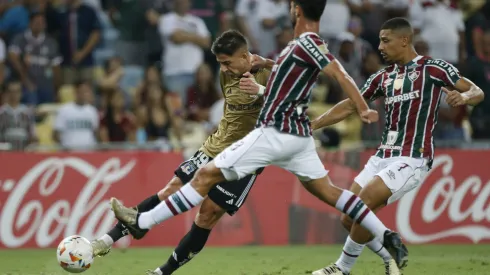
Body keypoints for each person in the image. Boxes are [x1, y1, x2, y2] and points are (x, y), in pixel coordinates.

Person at [110, 0, 410, 272]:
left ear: (297, 10)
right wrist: (266, 65)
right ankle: (386, 235)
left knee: (203, 178)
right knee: (331, 193)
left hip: (274, 133)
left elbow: (339, 74)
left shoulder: (305, 42)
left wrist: (362, 108)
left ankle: (141, 221)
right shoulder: (304, 45)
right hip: (299, 137)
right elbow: (294, 76)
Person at [310, 17, 485, 275]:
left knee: (365, 200)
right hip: (382, 156)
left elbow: (477, 91)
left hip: (413, 157)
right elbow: (350, 104)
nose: (380, 47)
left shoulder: (433, 69)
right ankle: (390, 259)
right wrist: (313, 125)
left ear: (404, 40)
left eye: (385, 40)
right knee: (348, 218)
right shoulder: (383, 77)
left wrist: (464, 95)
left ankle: (341, 269)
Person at [90, 30, 271, 275]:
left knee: (207, 215)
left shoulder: (269, 74)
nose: (224, 69)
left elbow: (294, 101)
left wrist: (262, 89)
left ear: (245, 56)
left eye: (228, 63)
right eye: (220, 64)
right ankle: (106, 241)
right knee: (172, 188)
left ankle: (163, 272)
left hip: (246, 158)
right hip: (214, 147)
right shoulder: (225, 73)